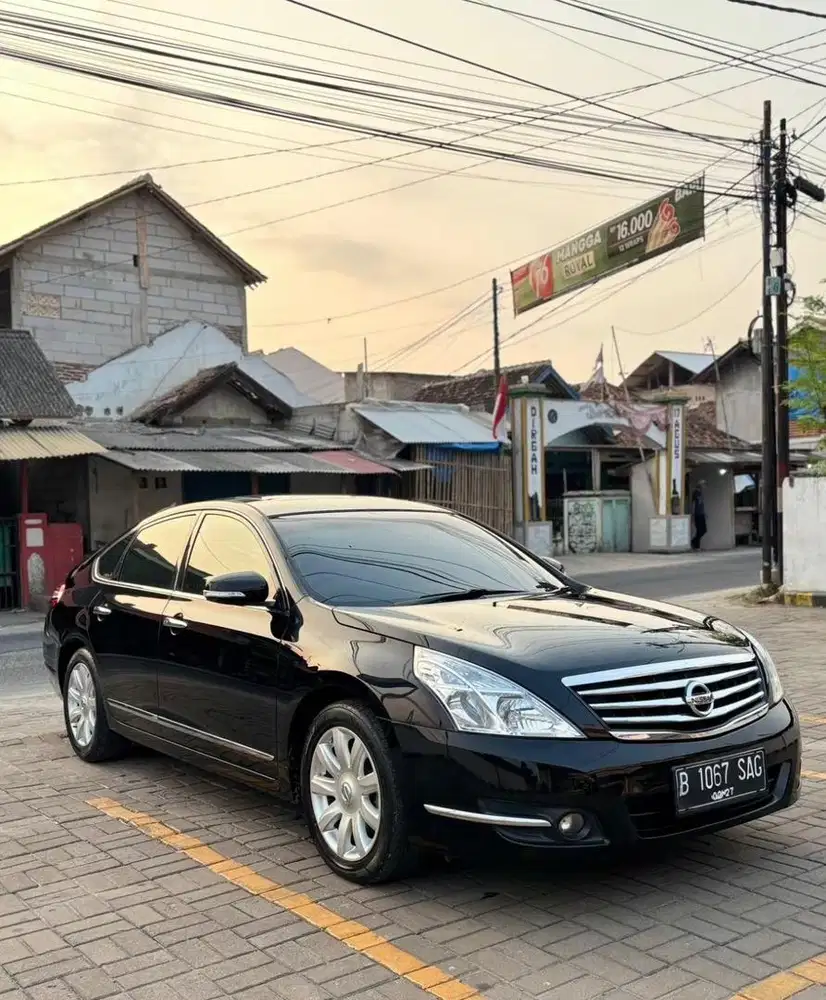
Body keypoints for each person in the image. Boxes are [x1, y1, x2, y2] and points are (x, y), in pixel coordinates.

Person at [691, 482, 707, 551]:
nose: (704, 486)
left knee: (703, 530)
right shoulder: (696, 493)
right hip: (697, 514)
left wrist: (704, 513)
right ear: (700, 485)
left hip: (701, 514)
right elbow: (694, 503)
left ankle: (696, 544)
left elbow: (701, 504)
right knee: (700, 530)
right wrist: (693, 514)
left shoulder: (700, 493)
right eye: (703, 485)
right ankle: (695, 544)